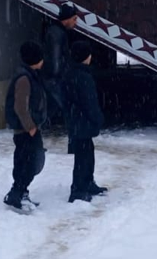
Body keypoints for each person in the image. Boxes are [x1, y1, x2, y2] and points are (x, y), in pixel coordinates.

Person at [3, 41, 48, 213]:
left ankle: (21, 192)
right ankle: (16, 194)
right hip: (26, 130)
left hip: (29, 128)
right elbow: (21, 107)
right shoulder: (24, 78)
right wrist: (30, 126)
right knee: (28, 162)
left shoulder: (31, 75)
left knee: (31, 161)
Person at [63, 41, 107, 203]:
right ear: (86, 57)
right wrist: (98, 118)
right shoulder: (83, 77)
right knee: (83, 157)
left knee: (87, 153)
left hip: (76, 120)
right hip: (82, 121)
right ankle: (78, 189)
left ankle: (87, 182)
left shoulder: (71, 73)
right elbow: (90, 102)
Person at [43, 3, 78, 121]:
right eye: (74, 19)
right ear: (67, 19)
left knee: (54, 107)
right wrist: (58, 74)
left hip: (55, 77)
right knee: (56, 107)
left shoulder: (57, 31)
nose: (76, 23)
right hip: (54, 79)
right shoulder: (57, 33)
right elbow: (55, 57)